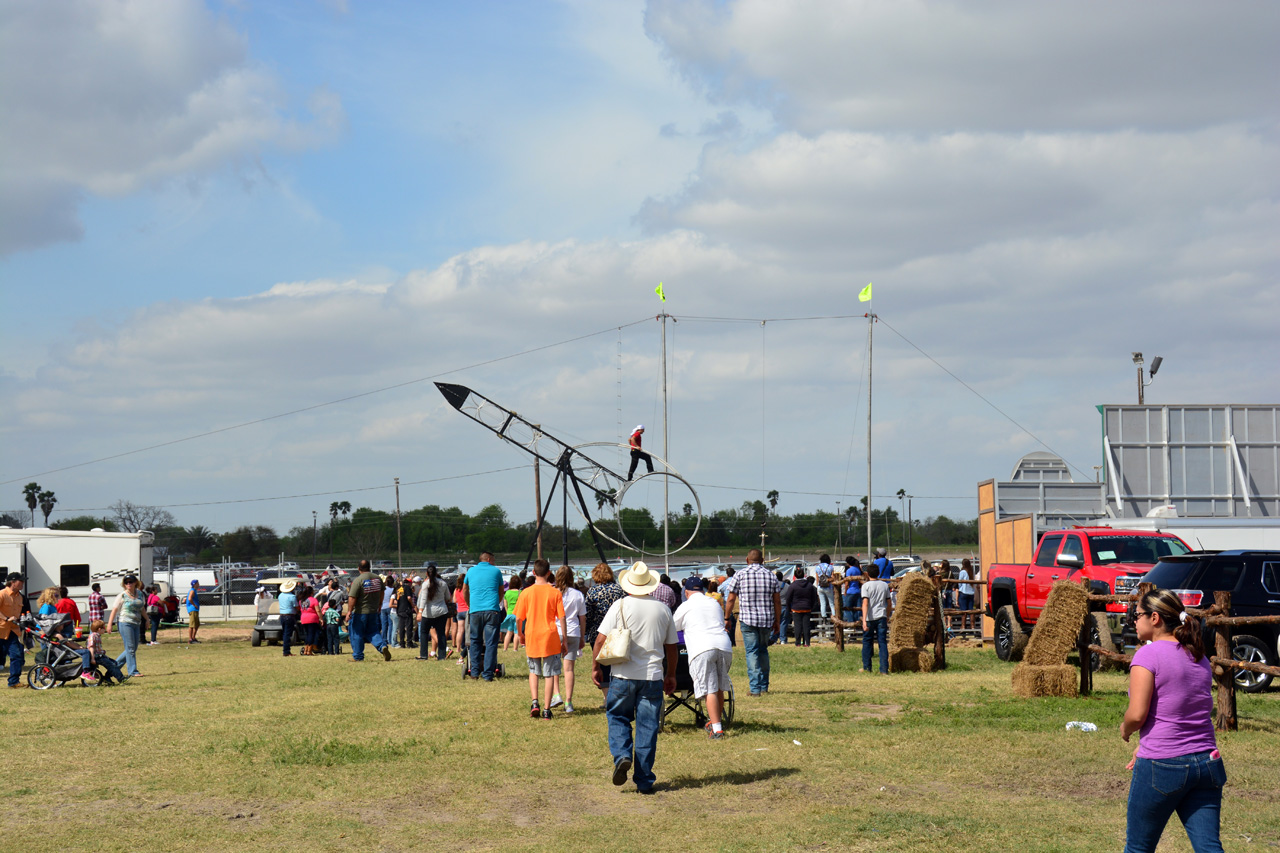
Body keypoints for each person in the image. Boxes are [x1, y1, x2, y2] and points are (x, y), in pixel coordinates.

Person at [1121, 588, 1225, 853]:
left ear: (1154, 618)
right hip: (1207, 763)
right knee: (1209, 848)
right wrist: (1144, 745)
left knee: (1138, 848)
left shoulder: (1147, 655)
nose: (1134, 619)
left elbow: (1137, 714)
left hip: (1163, 765)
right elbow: (1181, 710)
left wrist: (1126, 729)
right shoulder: (1197, 656)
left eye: (1138, 614)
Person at [591, 561, 677, 794]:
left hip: (622, 674)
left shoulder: (619, 606)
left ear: (629, 584)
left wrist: (596, 667)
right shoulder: (662, 609)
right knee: (648, 727)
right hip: (652, 676)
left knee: (618, 716)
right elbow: (672, 646)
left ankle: (622, 755)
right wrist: (670, 674)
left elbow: (600, 640)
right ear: (649, 584)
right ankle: (644, 780)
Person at [674, 577, 733, 739]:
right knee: (720, 686)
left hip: (702, 648)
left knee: (709, 689)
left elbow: (673, 628)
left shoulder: (685, 606)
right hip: (724, 646)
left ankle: (717, 729)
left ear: (686, 592)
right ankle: (716, 721)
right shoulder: (714, 603)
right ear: (702, 590)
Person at [720, 549, 781, 697]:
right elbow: (777, 601)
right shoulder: (770, 576)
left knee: (752, 652)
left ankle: (755, 688)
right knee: (763, 651)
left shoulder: (740, 574)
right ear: (762, 560)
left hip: (748, 619)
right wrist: (777, 621)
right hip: (766, 619)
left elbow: (731, 599)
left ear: (747, 560)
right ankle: (764, 685)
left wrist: (726, 618)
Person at [515, 559, 567, 718]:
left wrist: (520, 633)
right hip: (549, 635)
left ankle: (535, 702)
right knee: (550, 673)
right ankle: (546, 709)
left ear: (533, 573)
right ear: (549, 573)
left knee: (534, 671)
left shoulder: (526, 592)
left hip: (532, 633)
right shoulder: (555, 592)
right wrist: (564, 639)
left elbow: (518, 618)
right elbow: (562, 618)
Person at [584, 563, 626, 696]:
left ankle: (607, 696)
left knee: (602, 665)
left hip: (598, 632)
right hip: (618, 631)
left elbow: (588, 614)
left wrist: (587, 631)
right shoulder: (619, 589)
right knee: (618, 662)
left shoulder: (593, 591)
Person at [464, 552, 505, 681]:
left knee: (475, 641)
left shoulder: (470, 571)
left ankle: (474, 672)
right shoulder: (496, 571)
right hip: (492, 610)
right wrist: (496, 602)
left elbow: (465, 589)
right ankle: (488, 673)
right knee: (491, 643)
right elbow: (501, 591)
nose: (494, 562)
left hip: (475, 610)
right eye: (493, 560)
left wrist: (469, 604)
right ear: (488, 559)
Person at [551, 566, 585, 714]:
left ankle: (556, 694)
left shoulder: (553, 593)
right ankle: (568, 701)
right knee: (569, 669)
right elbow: (582, 618)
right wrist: (582, 636)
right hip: (574, 632)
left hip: (556, 631)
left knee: (554, 666)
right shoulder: (578, 595)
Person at [347, 560, 391, 662]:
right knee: (373, 631)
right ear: (369, 567)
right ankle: (382, 646)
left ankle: (358, 656)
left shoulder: (358, 580)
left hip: (360, 612)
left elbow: (352, 597)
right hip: (373, 611)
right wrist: (380, 604)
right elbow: (382, 592)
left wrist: (349, 611)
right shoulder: (377, 578)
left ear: (359, 568)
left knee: (357, 633)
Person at [106, 574, 148, 678]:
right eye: (126, 582)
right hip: (125, 623)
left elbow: (142, 608)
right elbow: (114, 610)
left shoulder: (140, 594)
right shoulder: (122, 595)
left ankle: (112, 668)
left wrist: (147, 619)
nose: (129, 584)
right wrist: (109, 624)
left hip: (136, 623)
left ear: (135, 583)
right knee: (130, 648)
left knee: (133, 648)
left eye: (131, 582)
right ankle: (133, 671)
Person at [861, 563, 892, 674]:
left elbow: (865, 603)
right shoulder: (884, 585)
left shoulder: (866, 586)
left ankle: (867, 667)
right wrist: (887, 616)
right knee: (882, 642)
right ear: (878, 573)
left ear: (867, 574)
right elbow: (889, 603)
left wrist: (864, 620)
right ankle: (884, 669)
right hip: (882, 615)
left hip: (870, 617)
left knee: (867, 642)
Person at [416, 564, 452, 661]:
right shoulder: (443, 583)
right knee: (441, 633)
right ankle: (441, 656)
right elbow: (448, 598)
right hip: (441, 612)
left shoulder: (425, 584)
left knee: (424, 633)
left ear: (427, 574)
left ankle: (423, 655)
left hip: (427, 613)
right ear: (436, 573)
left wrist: (420, 612)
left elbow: (423, 599)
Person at [0, 574, 26, 688]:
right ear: (13, 582)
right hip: (1, 629)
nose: (23, 583)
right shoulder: (2, 594)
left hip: (12, 631)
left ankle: (14, 682)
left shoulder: (20, 597)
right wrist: (6, 618)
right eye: (21, 581)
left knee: (17, 656)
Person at [784, 567, 818, 647]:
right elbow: (814, 598)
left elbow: (788, 598)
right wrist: (811, 607)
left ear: (795, 576)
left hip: (796, 608)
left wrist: (789, 608)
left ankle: (798, 642)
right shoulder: (809, 585)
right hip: (807, 608)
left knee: (798, 626)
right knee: (806, 626)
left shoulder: (793, 586)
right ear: (804, 575)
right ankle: (807, 642)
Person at [298, 584, 323, 656]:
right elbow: (318, 610)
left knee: (307, 634)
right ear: (312, 592)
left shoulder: (301, 600)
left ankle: (306, 650)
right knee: (312, 634)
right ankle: (309, 651)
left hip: (303, 618)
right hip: (312, 619)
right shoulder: (314, 600)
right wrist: (321, 619)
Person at [278, 580, 300, 657]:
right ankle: (286, 651)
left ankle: (286, 650)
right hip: (289, 616)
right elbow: (296, 606)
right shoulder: (292, 596)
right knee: (287, 634)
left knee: (285, 633)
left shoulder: (280, 595)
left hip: (282, 615)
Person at [452, 571, 469, 665]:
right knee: (467, 630)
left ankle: (458, 648)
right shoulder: (467, 589)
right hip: (467, 610)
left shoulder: (456, 590)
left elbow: (454, 600)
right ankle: (466, 645)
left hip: (459, 611)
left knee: (460, 631)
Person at [500, 576, 522, 651]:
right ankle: (515, 649)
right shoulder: (520, 593)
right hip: (517, 614)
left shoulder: (507, 593)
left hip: (509, 614)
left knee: (509, 632)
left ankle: (505, 648)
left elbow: (505, 605)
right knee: (516, 632)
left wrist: (507, 612)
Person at [395, 577, 417, 649]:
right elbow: (409, 598)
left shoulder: (399, 589)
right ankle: (409, 643)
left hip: (400, 610)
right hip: (407, 609)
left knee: (401, 627)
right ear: (409, 583)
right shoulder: (407, 588)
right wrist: (412, 605)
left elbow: (396, 600)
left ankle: (402, 643)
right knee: (409, 626)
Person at [813, 554, 835, 621]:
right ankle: (834, 615)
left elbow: (817, 579)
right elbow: (833, 577)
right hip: (829, 587)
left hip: (820, 586)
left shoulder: (817, 567)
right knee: (831, 603)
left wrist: (817, 587)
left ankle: (824, 617)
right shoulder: (830, 567)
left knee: (823, 603)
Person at [957, 558, 977, 630]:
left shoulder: (963, 572)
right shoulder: (972, 571)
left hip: (964, 592)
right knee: (971, 610)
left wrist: (959, 590)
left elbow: (960, 582)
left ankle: (963, 626)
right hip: (971, 592)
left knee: (964, 611)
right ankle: (972, 626)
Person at [841, 556, 862, 623]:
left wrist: (845, 591)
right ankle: (857, 621)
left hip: (850, 591)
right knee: (857, 608)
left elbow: (847, 582)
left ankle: (850, 622)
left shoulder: (849, 571)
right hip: (857, 590)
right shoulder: (858, 570)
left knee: (847, 608)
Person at [382, 574, 396, 648]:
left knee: (384, 624)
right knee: (390, 624)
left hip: (382, 607)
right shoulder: (392, 590)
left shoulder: (383, 589)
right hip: (390, 607)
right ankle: (390, 639)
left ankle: (384, 640)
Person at [186, 579, 202, 644]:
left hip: (195, 610)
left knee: (197, 624)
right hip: (193, 609)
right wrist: (194, 605)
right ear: (194, 584)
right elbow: (189, 598)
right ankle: (190, 639)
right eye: (197, 583)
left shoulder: (194, 591)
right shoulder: (192, 591)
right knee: (192, 625)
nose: (199, 584)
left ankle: (193, 638)